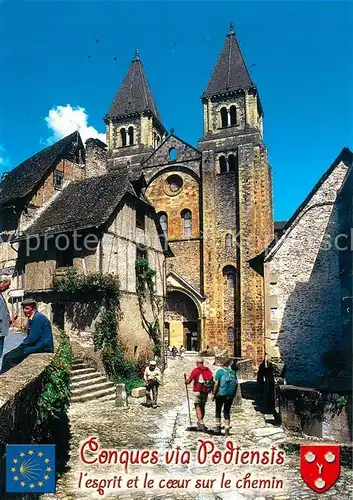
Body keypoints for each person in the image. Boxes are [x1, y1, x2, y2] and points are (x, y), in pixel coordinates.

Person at [0, 299, 54, 374]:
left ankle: (4, 377)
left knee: (9, 358)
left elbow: (32, 338)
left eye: (27, 308)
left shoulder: (38, 318)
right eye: (24, 308)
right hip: (38, 345)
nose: (25, 311)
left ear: (34, 308)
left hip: (42, 347)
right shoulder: (34, 317)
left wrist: (21, 346)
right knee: (8, 356)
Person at [185, 357, 213, 430]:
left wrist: (186, 381)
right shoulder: (208, 370)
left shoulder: (196, 370)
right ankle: (201, 421)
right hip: (205, 391)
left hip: (198, 391)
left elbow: (189, 381)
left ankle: (200, 421)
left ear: (197, 363)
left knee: (197, 405)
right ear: (203, 363)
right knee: (202, 406)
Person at [212, 358, 238, 436]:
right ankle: (227, 428)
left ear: (222, 364)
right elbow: (236, 384)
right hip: (230, 395)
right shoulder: (233, 372)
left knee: (218, 410)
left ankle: (218, 427)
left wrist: (213, 394)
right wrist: (233, 395)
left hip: (220, 394)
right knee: (227, 411)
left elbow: (216, 384)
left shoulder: (219, 372)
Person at [0, 274, 17, 359]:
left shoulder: (1, 294)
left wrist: (10, 320)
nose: (8, 287)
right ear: (2, 283)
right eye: (8, 285)